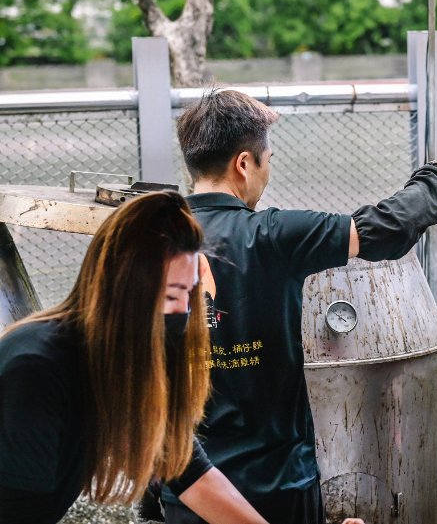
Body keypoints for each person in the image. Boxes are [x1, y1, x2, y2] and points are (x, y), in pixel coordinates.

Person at [160, 88, 437, 524]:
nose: (266, 174)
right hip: (278, 490)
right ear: (244, 163)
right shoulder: (272, 234)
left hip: (189, 491)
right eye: (268, 160)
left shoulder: (147, 241)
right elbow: (387, 228)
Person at [0, 192, 268, 524]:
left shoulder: (122, 360)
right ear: (124, 288)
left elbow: (189, 472)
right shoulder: (37, 369)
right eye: (171, 294)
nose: (182, 312)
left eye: (187, 294)